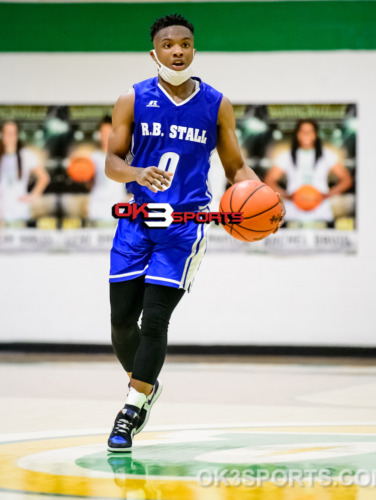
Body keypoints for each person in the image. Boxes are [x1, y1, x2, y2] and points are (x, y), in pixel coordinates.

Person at [104, 14, 285, 453]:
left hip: (185, 227)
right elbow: (111, 161)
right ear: (155, 53)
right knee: (121, 324)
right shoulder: (132, 99)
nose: (178, 51)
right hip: (135, 222)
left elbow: (234, 167)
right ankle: (146, 385)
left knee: (155, 320)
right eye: (169, 45)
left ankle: (130, 409)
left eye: (185, 44)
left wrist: (260, 195)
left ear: (194, 50)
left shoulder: (217, 103)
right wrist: (136, 173)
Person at [265, 119, 353, 225]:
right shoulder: (286, 156)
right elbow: (269, 180)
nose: (306, 134)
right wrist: (286, 196)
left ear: (315, 134)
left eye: (310, 131)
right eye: (303, 131)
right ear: (297, 134)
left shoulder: (327, 155)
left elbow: (346, 180)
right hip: (293, 214)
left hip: (321, 213)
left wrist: (327, 195)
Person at [0, 121, 50, 226]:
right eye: (7, 132)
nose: (10, 136)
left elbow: (44, 177)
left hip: (19, 211)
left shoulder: (27, 155)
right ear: (2, 134)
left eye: (13, 133)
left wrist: (33, 195)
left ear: (17, 135)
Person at [88, 116, 129, 224]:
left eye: (109, 132)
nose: (106, 136)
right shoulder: (93, 157)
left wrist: (130, 198)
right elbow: (89, 184)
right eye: (103, 133)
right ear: (99, 135)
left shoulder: (125, 156)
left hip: (119, 211)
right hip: (97, 210)